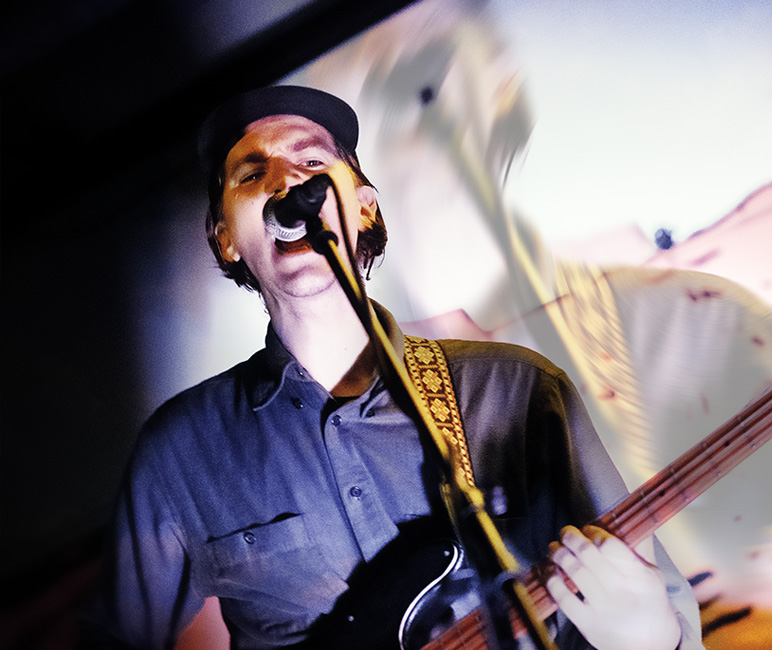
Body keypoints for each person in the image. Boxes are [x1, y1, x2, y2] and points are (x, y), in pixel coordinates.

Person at [84, 85, 703, 649]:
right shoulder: (181, 453)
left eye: (311, 164)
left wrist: (648, 634)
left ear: (365, 209)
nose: (284, 184)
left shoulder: (514, 391)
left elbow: (665, 617)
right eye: (251, 174)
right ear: (225, 237)